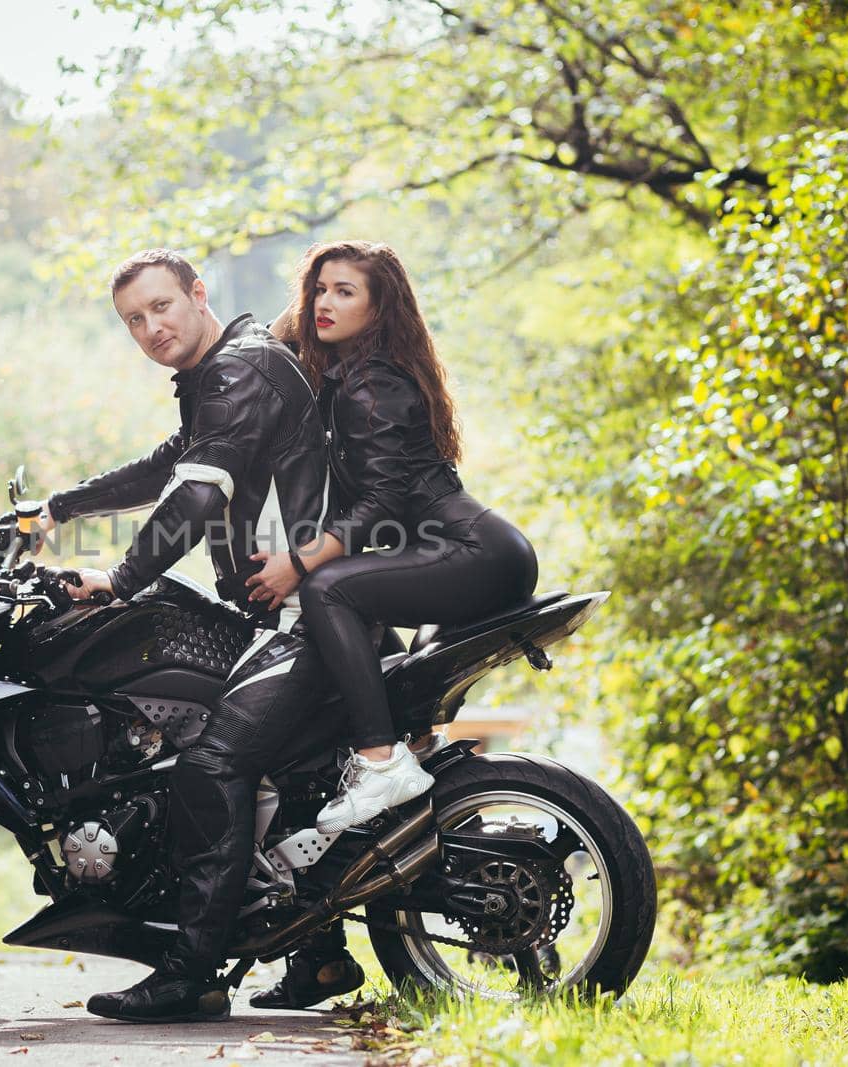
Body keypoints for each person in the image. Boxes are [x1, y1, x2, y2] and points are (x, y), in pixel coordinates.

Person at [34, 249, 332, 1023]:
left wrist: (119, 580)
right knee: (237, 737)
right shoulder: (222, 377)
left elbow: (198, 495)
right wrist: (58, 509)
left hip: (311, 611)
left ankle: (191, 973)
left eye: (162, 306)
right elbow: (171, 465)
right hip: (291, 609)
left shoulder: (240, 369)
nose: (150, 327)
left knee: (211, 764)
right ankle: (319, 954)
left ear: (199, 296)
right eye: (134, 319)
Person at [242, 240, 539, 1008]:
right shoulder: (354, 371)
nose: (324, 303)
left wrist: (294, 566)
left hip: (471, 553)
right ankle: (324, 944)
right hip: (462, 555)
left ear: (382, 308)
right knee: (360, 651)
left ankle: (379, 762)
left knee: (333, 592)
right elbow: (274, 343)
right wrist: (306, 303)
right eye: (318, 290)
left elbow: (378, 510)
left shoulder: (370, 381)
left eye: (345, 291)